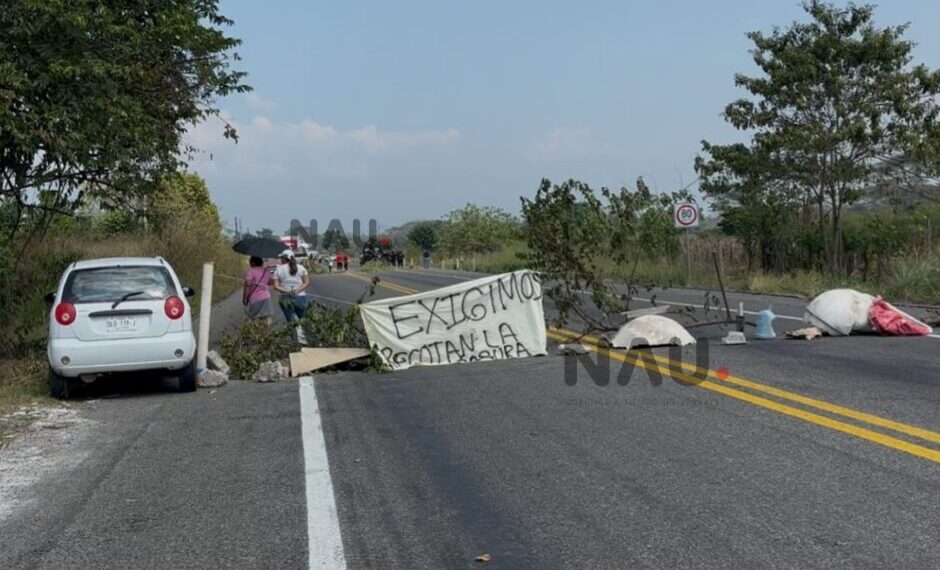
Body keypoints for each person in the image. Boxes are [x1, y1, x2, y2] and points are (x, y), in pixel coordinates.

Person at [272, 249, 310, 343]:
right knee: (304, 319)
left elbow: (276, 286)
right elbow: (307, 282)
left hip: (285, 298)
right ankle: (309, 340)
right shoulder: (301, 268)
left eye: (281, 257)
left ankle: (296, 342)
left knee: (291, 322)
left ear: (285, 258)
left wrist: (288, 291)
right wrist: (297, 290)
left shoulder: (279, 269)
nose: (280, 259)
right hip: (300, 297)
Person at [243, 256, 273, 322]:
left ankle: (249, 331)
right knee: (266, 318)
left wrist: (245, 298)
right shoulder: (266, 271)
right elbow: (270, 282)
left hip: (255, 298)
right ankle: (266, 332)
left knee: (251, 317)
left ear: (253, 263)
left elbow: (248, 285)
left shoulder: (251, 271)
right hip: (266, 297)